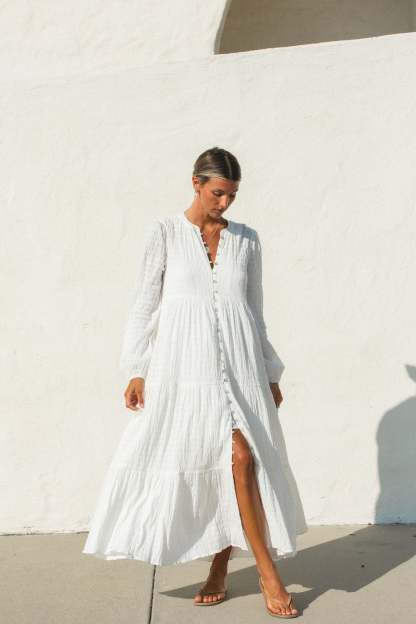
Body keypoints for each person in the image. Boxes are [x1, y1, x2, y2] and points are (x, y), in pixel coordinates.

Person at [82, 146, 307, 617]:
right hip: (184, 370)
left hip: (241, 369)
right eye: (218, 193)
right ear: (196, 183)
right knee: (213, 461)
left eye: (232, 195)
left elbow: (255, 312)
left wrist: (269, 371)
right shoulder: (164, 233)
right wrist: (136, 368)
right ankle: (224, 567)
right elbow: (144, 304)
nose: (225, 203)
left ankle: (263, 572)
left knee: (242, 459)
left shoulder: (247, 241)